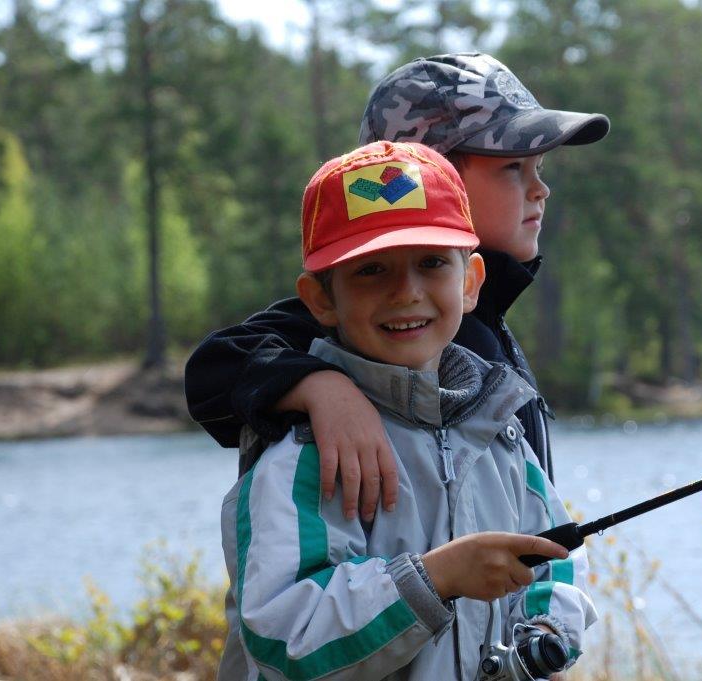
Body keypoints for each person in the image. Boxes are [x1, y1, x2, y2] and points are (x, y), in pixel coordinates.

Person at [217, 140, 596, 680]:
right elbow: (285, 637)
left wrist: (548, 629)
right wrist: (435, 579)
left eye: (432, 262)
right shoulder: (304, 456)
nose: (407, 292)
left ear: (469, 283)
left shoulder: (499, 430)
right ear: (321, 299)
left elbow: (554, 556)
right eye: (372, 270)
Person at [185, 53, 610, 522]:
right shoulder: (370, 317)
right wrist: (321, 386)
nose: (540, 190)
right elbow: (215, 367)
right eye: (513, 168)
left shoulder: (471, 314)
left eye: (540, 168)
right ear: (428, 176)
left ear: (471, 283)